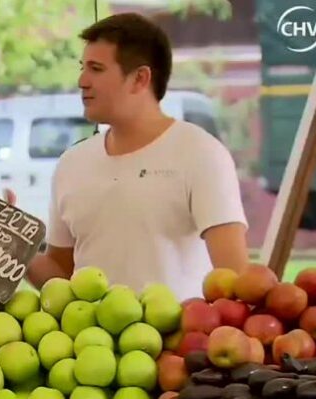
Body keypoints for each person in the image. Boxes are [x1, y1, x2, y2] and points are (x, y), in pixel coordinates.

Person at [17, 13, 249, 299]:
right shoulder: (72, 163)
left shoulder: (201, 154)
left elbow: (235, 279)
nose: (81, 81)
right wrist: (16, 243)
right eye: (82, 68)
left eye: (96, 69)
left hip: (175, 342)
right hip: (86, 342)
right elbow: (62, 277)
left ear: (140, 78)